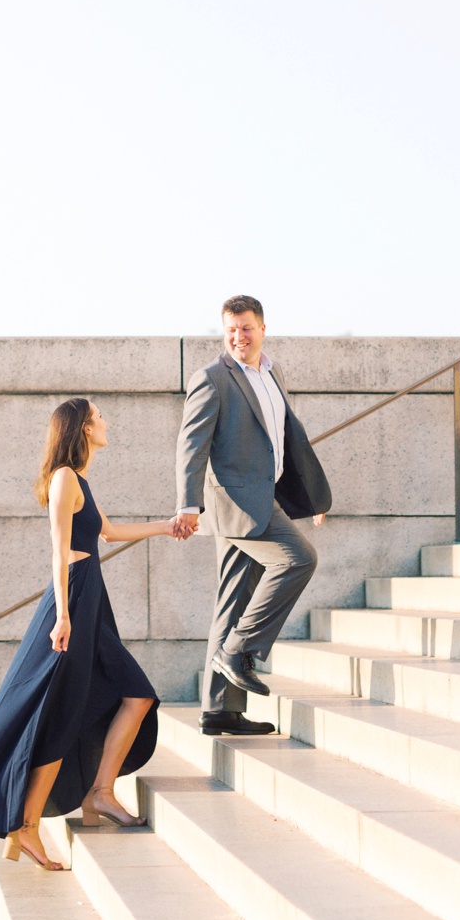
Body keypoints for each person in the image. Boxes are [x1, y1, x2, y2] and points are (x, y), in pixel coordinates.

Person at [0, 398, 178, 869]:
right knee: (59, 712)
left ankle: (100, 793)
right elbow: (58, 551)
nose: (106, 422)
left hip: (91, 603)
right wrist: (63, 615)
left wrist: (166, 528)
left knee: (136, 694)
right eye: (99, 417)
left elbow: (108, 532)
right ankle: (24, 825)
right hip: (74, 602)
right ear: (82, 428)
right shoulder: (64, 478)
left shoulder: (80, 480)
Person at [172, 294, 333, 736]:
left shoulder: (273, 371)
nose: (238, 337)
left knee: (233, 600)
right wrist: (189, 505)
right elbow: (192, 445)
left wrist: (313, 496)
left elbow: (285, 436)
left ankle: (219, 710)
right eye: (230, 330)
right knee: (299, 558)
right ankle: (239, 649)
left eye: (245, 328)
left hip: (265, 496)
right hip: (233, 503)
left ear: (262, 329)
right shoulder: (211, 378)